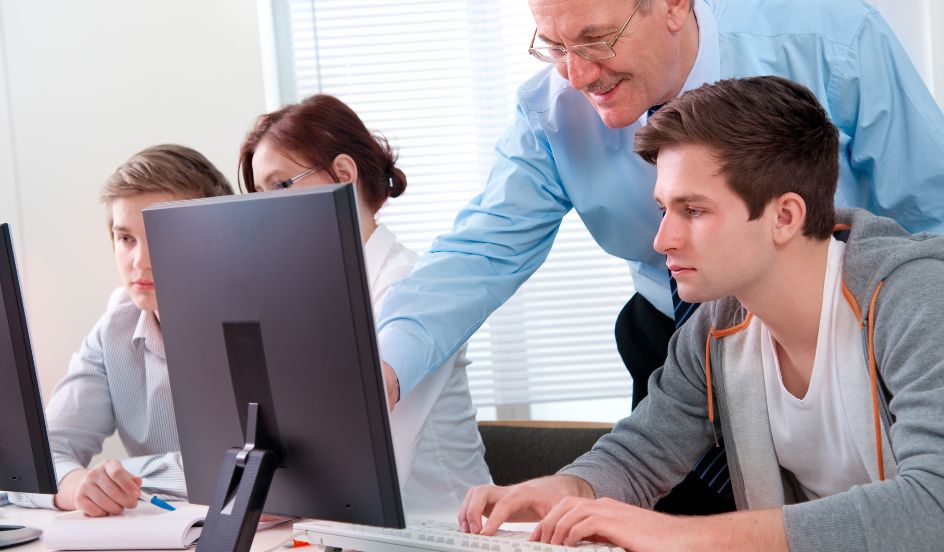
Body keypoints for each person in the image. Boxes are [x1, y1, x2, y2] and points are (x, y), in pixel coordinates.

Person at [373, 0, 944, 513]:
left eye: (595, 39)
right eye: (555, 47)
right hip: (684, 327)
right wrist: (384, 369)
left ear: (674, 5)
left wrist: (911, 316)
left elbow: (932, 205)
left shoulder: (831, 40)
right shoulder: (551, 111)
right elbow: (481, 251)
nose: (576, 73)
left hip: (867, 322)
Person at [457, 75, 944, 552]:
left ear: (785, 217)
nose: (662, 240)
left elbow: (934, 507)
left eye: (693, 210)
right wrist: (570, 491)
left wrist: (677, 535)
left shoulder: (915, 300)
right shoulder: (716, 325)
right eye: (664, 209)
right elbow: (642, 453)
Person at [237, 94, 491, 513]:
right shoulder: (311, 295)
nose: (269, 210)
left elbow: (371, 464)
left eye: (280, 186)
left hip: (439, 534)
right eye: (260, 195)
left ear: (342, 175)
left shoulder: (414, 293)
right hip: (345, 528)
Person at [9, 145, 234, 515]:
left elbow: (244, 471)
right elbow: (38, 458)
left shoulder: (261, 326)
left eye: (163, 236)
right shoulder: (115, 328)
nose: (140, 261)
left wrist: (123, 476)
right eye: (126, 238)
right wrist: (76, 486)